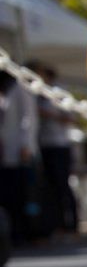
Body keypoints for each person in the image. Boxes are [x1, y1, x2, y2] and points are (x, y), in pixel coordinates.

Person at [32, 63, 77, 236]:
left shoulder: (58, 92)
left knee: (63, 185)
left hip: (60, 145)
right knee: (49, 187)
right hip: (44, 145)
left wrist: (49, 115)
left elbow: (71, 118)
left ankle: (71, 226)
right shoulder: (35, 95)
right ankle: (57, 225)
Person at [0, 71, 38, 245]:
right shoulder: (7, 90)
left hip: (20, 152)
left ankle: (28, 232)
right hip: (8, 153)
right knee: (11, 195)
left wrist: (26, 145)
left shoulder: (19, 89)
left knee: (24, 194)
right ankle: (15, 233)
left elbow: (28, 119)